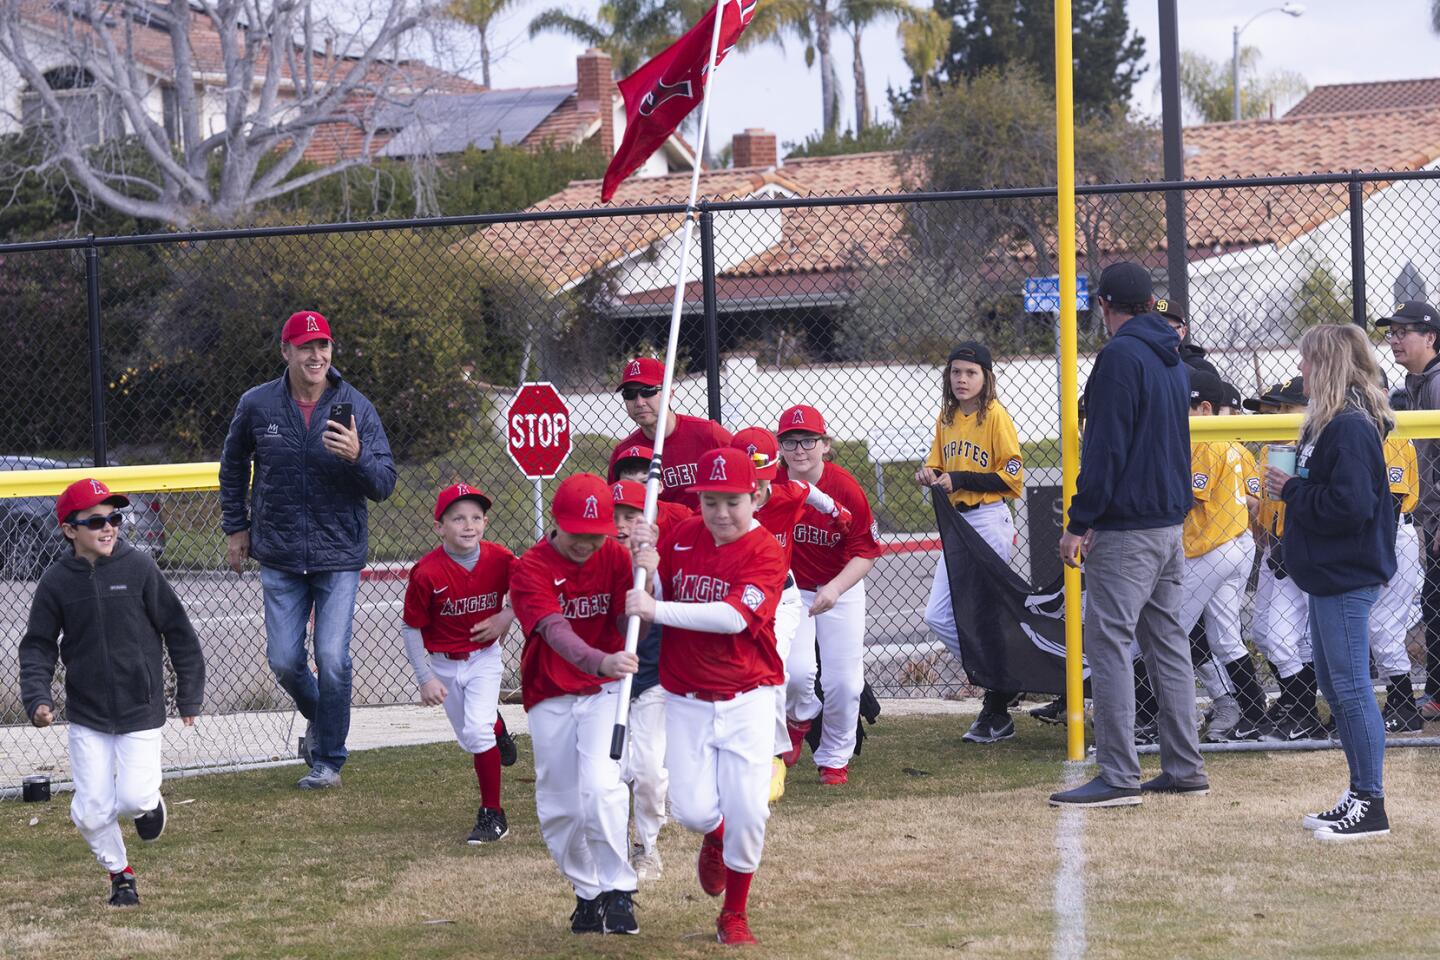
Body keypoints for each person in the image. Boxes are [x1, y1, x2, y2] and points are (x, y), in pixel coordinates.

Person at [1050, 261, 1207, 807]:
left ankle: (1118, 775)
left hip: (1127, 526)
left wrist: (1079, 521)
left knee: (1109, 645)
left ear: (1105, 304)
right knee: (1166, 643)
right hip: (1167, 521)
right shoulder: (1171, 355)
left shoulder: (1120, 355)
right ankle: (1185, 766)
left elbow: (1106, 447)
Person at [219, 310, 396, 789]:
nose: (316, 355)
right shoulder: (257, 405)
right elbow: (232, 466)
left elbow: (384, 484)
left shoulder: (355, 405)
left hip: (337, 554)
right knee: (284, 661)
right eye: (305, 347)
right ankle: (326, 723)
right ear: (286, 352)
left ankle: (328, 760)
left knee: (333, 659)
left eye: (323, 346)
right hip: (277, 552)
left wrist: (358, 457)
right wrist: (236, 526)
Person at [624, 447, 789, 946]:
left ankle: (733, 913)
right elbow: (659, 580)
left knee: (750, 810)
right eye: (709, 501)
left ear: (755, 496)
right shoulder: (683, 536)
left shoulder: (766, 551)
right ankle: (714, 837)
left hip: (748, 695)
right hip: (687, 695)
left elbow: (732, 618)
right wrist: (647, 564)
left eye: (731, 501)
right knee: (694, 811)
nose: (720, 513)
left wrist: (656, 608)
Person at [19, 478, 206, 906]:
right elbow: (39, 645)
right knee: (90, 811)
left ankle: (150, 806)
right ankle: (120, 875)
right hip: (88, 712)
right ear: (70, 529)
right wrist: (38, 698)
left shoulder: (138, 567)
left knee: (134, 796)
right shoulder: (56, 582)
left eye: (115, 518)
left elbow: (178, 631)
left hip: (140, 705)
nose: (109, 528)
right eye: (96, 521)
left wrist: (188, 694)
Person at [1265, 324, 1397, 841]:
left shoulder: (1349, 426)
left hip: (1346, 572)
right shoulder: (1330, 423)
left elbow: (1352, 506)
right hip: (1327, 572)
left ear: (1330, 365)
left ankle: (1372, 801)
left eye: (1309, 361)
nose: (1302, 370)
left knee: (1350, 687)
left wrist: (1295, 491)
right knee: (1335, 686)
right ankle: (1360, 790)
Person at [507, 473, 641, 934]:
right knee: (561, 804)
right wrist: (600, 659)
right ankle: (587, 893)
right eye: (577, 535)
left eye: (596, 535)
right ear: (556, 524)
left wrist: (650, 571)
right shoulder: (529, 568)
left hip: (605, 692)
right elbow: (556, 633)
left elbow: (633, 615)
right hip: (552, 689)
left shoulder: (618, 557)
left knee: (602, 789)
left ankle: (620, 891)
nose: (586, 544)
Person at [729, 426, 852, 800]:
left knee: (794, 675)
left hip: (782, 597)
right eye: (744, 482)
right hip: (739, 601)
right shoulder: (722, 509)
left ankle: (799, 717)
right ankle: (769, 759)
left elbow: (809, 493)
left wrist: (837, 511)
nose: (755, 491)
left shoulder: (788, 493)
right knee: (763, 675)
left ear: (775, 470)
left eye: (761, 480)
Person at [915, 341, 1025, 743]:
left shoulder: (995, 416)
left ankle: (996, 704)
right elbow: (939, 462)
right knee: (939, 615)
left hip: (989, 518)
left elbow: (1012, 478)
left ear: (986, 377)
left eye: (970, 372)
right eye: (955, 372)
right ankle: (1001, 679)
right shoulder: (946, 417)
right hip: (959, 525)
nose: (961, 379)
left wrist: (960, 479)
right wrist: (928, 472)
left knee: (982, 613)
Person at [400, 483, 517, 845]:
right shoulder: (427, 572)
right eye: (458, 518)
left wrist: (506, 617)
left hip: (483, 658)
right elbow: (411, 626)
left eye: (477, 518)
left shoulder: (501, 559)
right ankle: (498, 728)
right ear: (439, 527)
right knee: (472, 739)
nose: (469, 526)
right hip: (444, 664)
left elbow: (526, 591)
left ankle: (493, 814)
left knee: (476, 733)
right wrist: (425, 678)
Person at [776, 404, 882, 785]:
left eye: (808, 440)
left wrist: (836, 589)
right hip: (792, 592)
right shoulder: (772, 483)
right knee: (795, 671)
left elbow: (866, 552)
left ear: (825, 444)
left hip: (841, 587)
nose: (799, 449)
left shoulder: (844, 487)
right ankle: (798, 715)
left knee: (844, 682)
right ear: (780, 446)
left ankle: (834, 759)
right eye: (790, 441)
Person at [1180, 370, 1271, 742]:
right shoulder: (1230, 445)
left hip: (1210, 549)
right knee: (1225, 639)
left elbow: (1187, 499)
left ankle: (1152, 716)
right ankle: (1250, 710)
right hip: (1234, 544)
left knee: (1165, 632)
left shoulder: (1207, 441)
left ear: (1205, 408)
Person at [1245, 378, 1324, 740]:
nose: (1275, 415)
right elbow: (1265, 512)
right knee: (1266, 632)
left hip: (1304, 550)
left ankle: (1302, 706)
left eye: (1283, 408)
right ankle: (1297, 703)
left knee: (1284, 637)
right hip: (1277, 550)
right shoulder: (1271, 450)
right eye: (1273, 409)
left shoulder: (1310, 448)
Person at [1379, 300, 1440, 720]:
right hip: (1431, 514)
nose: (1396, 339)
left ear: (1430, 337)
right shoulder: (1417, 381)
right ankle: (1436, 691)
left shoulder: (1436, 383)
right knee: (1435, 602)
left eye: (1405, 332)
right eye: (1392, 333)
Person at [610, 479, 669, 882]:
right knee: (611, 770)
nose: (621, 526)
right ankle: (614, 845)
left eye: (631, 517)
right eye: (613, 517)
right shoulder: (593, 561)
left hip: (652, 681)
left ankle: (648, 846)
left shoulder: (664, 565)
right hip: (607, 683)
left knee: (647, 770)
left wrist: (648, 575)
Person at [607, 357, 732, 510]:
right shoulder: (625, 453)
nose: (639, 402)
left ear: (670, 394)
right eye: (630, 394)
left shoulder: (709, 434)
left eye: (648, 391)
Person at [1156, 297, 1220, 377]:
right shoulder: (1140, 361)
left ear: (1183, 332)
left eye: (1169, 329)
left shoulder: (1202, 368)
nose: (1161, 333)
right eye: (1155, 327)